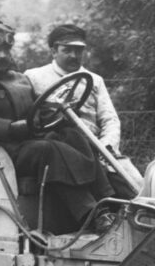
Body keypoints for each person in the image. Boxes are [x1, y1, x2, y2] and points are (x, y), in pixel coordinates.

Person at [0, 21, 117, 234]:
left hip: (28, 145)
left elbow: (36, 111)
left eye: (6, 49)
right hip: (2, 153)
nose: (2, 55)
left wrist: (56, 113)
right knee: (47, 150)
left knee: (73, 135)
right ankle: (90, 214)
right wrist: (12, 128)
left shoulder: (20, 79)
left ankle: (109, 203)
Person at [25, 24, 137, 198]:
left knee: (136, 185)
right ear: (54, 51)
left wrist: (106, 147)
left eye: (79, 51)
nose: (74, 56)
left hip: (98, 147)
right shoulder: (34, 77)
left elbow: (110, 120)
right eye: (67, 50)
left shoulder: (94, 80)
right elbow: (30, 118)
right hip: (63, 148)